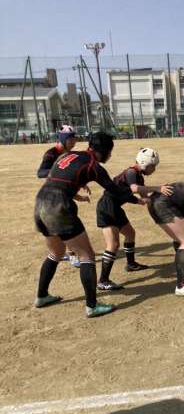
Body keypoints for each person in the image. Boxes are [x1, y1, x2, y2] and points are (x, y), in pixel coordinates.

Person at [34, 132, 142, 318]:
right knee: (87, 256)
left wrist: (75, 191)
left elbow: (55, 178)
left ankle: (41, 296)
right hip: (58, 207)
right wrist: (137, 200)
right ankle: (92, 306)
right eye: (110, 151)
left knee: (56, 253)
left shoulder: (69, 155)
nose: (110, 155)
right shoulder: (94, 166)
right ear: (104, 150)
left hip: (40, 203)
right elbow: (114, 190)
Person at [96, 148, 167, 290]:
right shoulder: (131, 172)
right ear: (144, 163)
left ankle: (131, 264)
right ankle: (103, 281)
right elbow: (134, 189)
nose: (154, 170)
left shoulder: (138, 176)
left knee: (130, 234)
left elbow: (142, 196)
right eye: (153, 166)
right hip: (107, 207)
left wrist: (156, 201)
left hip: (115, 207)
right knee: (113, 244)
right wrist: (158, 188)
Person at [37, 125, 82, 268]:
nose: (74, 142)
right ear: (63, 139)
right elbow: (40, 172)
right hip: (52, 193)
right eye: (71, 139)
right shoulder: (51, 154)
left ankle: (68, 252)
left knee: (67, 220)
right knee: (64, 222)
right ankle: (71, 254)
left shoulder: (69, 153)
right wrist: (56, 171)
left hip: (63, 192)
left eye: (74, 139)